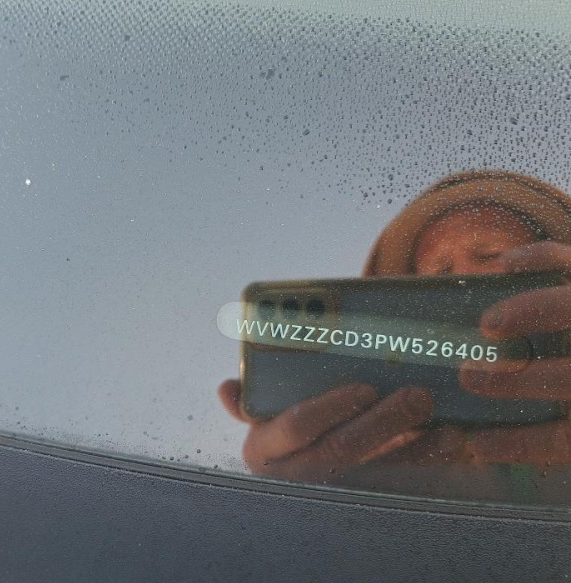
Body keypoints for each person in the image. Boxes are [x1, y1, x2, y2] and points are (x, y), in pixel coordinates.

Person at [218, 170, 571, 494]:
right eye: (438, 276)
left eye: (491, 254)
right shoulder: (379, 466)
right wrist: (304, 501)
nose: (463, 278)